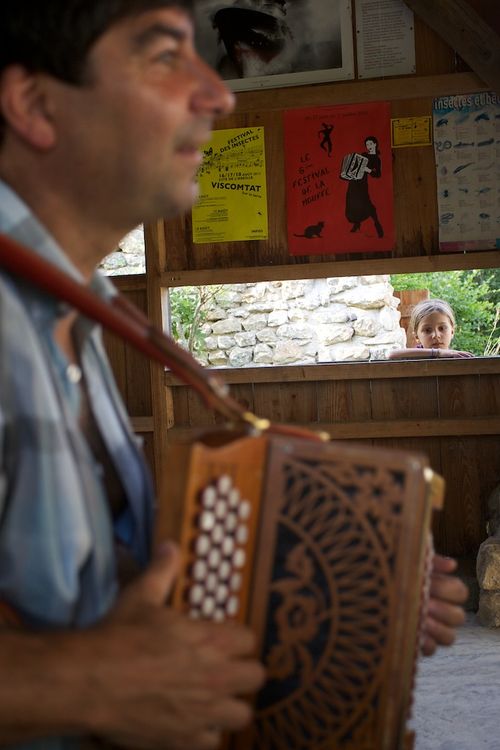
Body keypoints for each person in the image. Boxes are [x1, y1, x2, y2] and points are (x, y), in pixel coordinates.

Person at [0, 2, 466, 748]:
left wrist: (351, 595)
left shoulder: (79, 312)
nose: (218, 94)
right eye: (162, 57)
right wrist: (84, 682)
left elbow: (80, 593)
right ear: (34, 103)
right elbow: (93, 660)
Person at [389, 298, 474, 360]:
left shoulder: (457, 357)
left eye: (442, 328)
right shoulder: (414, 357)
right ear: (416, 336)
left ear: (452, 331)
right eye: (427, 330)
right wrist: (438, 353)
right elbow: (391, 354)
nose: (436, 335)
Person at [345, 135, 384, 238]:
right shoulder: (363, 155)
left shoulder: (377, 159)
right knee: (352, 202)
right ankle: (356, 223)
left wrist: (369, 170)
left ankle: (377, 223)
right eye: (367, 144)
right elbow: (355, 165)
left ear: (375, 144)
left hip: (362, 183)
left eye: (370, 144)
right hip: (354, 181)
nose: (369, 146)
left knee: (366, 203)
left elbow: (378, 174)